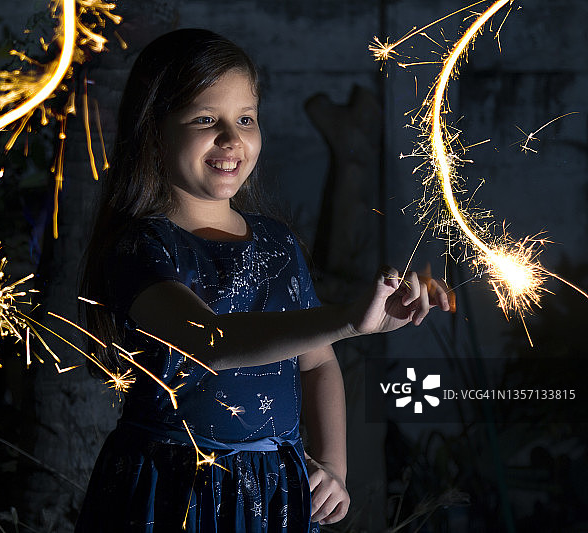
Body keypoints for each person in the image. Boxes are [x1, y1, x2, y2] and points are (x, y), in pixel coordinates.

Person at [75, 28, 450, 533]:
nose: (231, 138)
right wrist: (345, 320)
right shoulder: (143, 246)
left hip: (274, 490)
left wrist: (333, 466)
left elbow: (318, 363)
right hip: (176, 490)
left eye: (245, 119)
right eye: (205, 119)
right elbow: (208, 342)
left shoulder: (278, 242)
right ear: (154, 130)